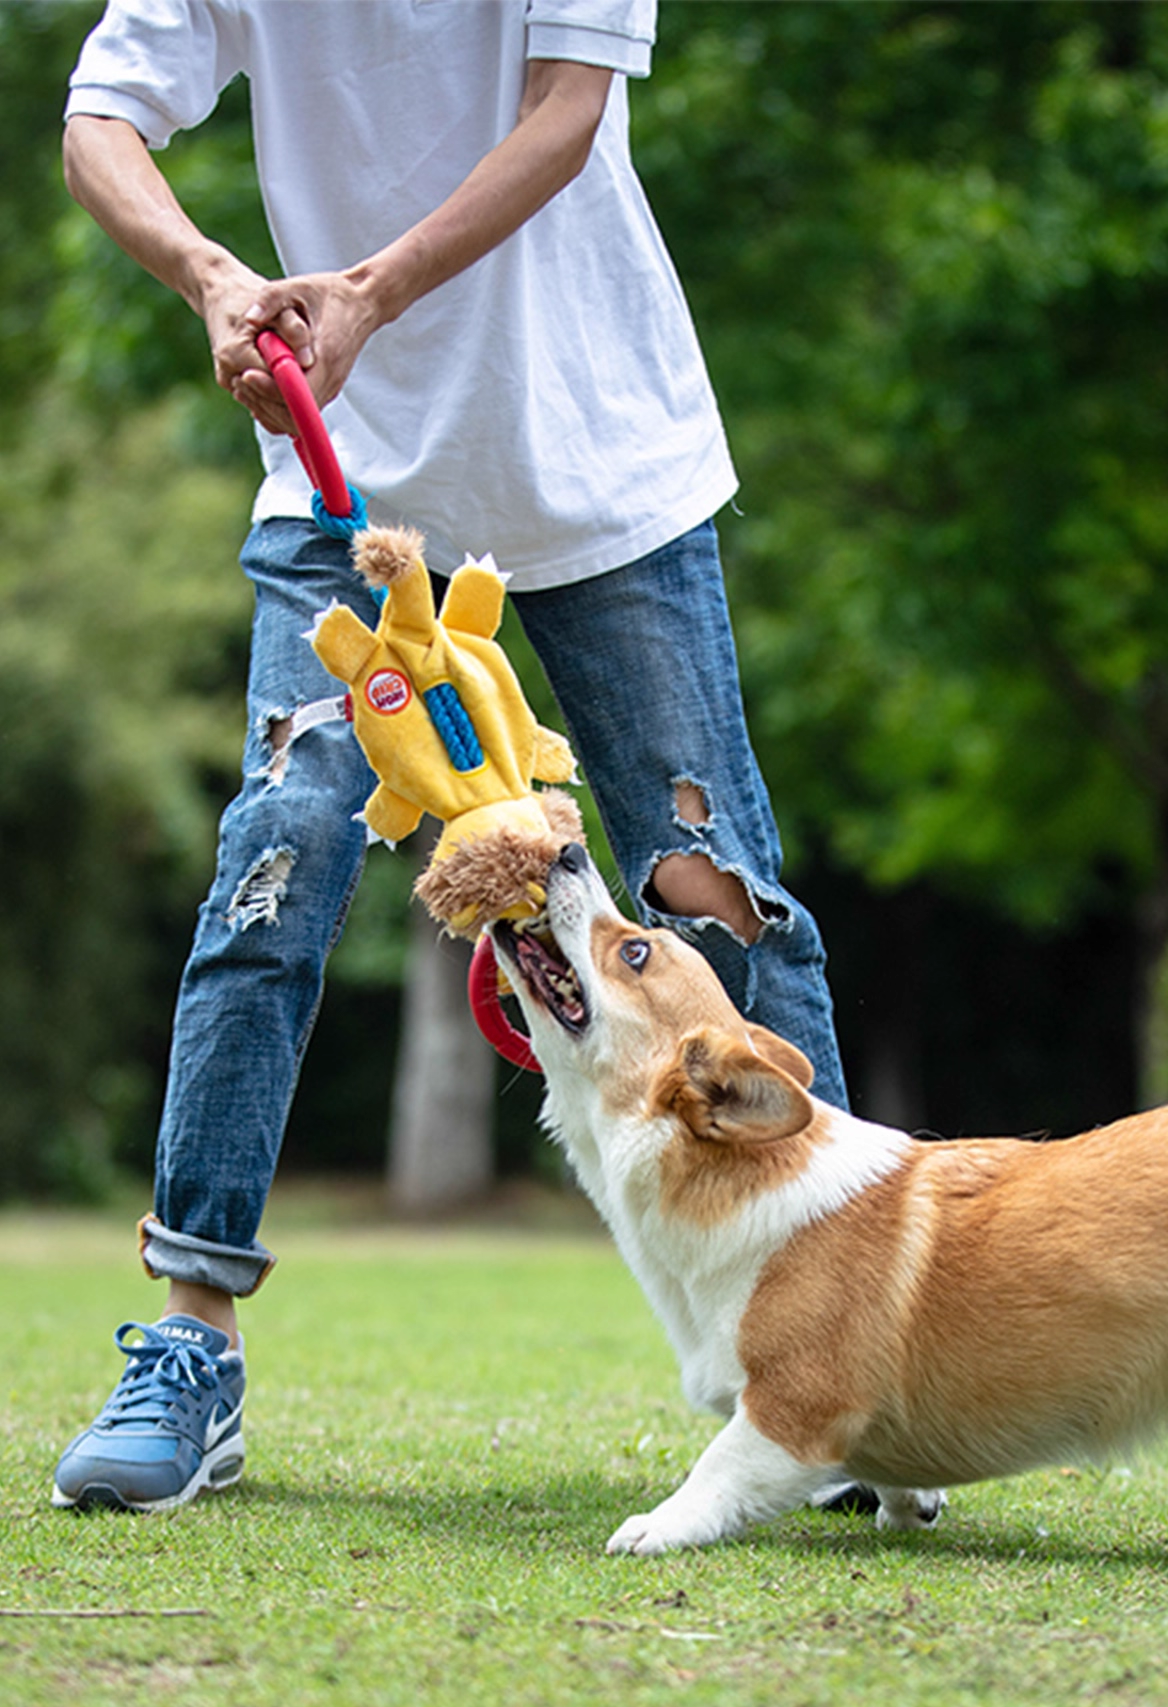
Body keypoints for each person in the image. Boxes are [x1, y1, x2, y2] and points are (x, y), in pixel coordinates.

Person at [53, 0, 848, 1514]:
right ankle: (190, 1344)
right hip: (345, 493)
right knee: (275, 856)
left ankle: (844, 1350)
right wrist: (214, 276)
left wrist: (366, 290)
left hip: (598, 459)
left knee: (710, 888)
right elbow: (104, 116)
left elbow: (566, 112)